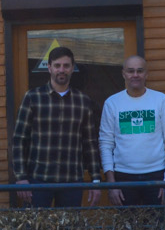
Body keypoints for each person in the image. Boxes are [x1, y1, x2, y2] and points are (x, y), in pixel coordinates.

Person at [11, 45, 102, 207]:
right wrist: (20, 176)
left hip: (72, 181)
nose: (62, 70)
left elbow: (90, 142)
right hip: (38, 179)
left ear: (72, 69)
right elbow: (19, 139)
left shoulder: (82, 101)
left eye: (66, 66)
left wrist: (95, 178)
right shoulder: (33, 98)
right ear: (49, 67)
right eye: (57, 65)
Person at [100, 55, 165, 205]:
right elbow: (105, 144)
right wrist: (111, 184)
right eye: (130, 71)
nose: (135, 75)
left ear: (146, 74)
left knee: (157, 228)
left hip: (157, 177)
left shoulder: (161, 100)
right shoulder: (112, 103)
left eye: (140, 71)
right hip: (123, 178)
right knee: (128, 228)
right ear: (123, 73)